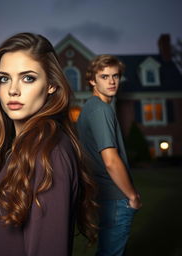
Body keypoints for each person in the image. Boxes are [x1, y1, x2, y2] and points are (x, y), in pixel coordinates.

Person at [0, 32, 97, 256]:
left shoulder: (50, 152)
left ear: (50, 85)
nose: (13, 90)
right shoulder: (23, 147)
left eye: (28, 78)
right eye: (4, 78)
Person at [77, 55, 142, 256]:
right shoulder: (100, 110)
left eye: (115, 76)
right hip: (114, 196)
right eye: (104, 76)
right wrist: (132, 196)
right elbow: (111, 161)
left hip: (102, 194)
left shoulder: (90, 107)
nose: (112, 81)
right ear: (92, 80)